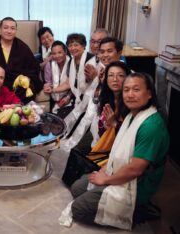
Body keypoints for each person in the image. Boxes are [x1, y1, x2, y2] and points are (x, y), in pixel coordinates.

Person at [70, 72, 169, 230]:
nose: (130, 94)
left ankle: (138, 210)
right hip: (121, 171)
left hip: (138, 184)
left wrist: (106, 180)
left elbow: (135, 170)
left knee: (78, 210)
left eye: (136, 89)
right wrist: (107, 166)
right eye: (126, 90)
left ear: (149, 93)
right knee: (77, 188)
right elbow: (121, 147)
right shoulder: (132, 114)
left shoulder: (151, 126)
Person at [63, 38, 124, 150]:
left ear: (119, 53)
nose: (105, 55)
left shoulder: (125, 74)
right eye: (102, 51)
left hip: (115, 125)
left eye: (109, 51)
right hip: (98, 119)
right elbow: (94, 96)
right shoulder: (101, 70)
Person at [0, 17, 42, 104]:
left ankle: (18, 109)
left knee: (27, 88)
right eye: (6, 28)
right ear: (0, 29)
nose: (9, 31)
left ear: (16, 30)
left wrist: (26, 78)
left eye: (12, 28)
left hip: (17, 88)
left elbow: (33, 68)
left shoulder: (23, 48)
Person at [43, 40, 72, 115]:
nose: (57, 56)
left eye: (60, 52)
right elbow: (48, 83)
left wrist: (68, 97)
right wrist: (47, 86)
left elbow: (74, 84)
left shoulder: (71, 63)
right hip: (54, 98)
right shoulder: (49, 65)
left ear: (65, 52)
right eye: (54, 54)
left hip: (69, 97)